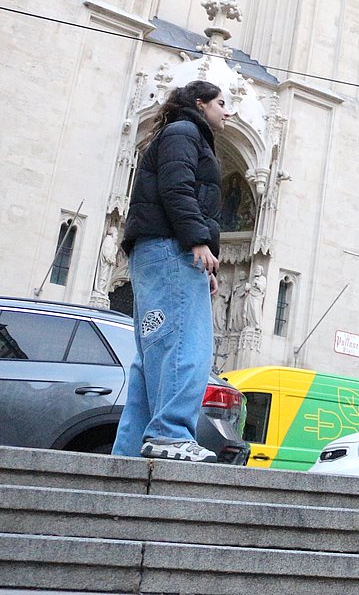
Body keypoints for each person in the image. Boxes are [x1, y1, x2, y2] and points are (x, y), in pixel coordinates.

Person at [113, 80, 231, 463]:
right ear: (201, 104)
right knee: (186, 345)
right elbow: (177, 188)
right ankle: (169, 434)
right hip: (172, 248)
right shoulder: (185, 132)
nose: (228, 111)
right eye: (221, 103)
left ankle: (131, 451)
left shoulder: (176, 132)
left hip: (157, 251)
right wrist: (198, 243)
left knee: (155, 353)